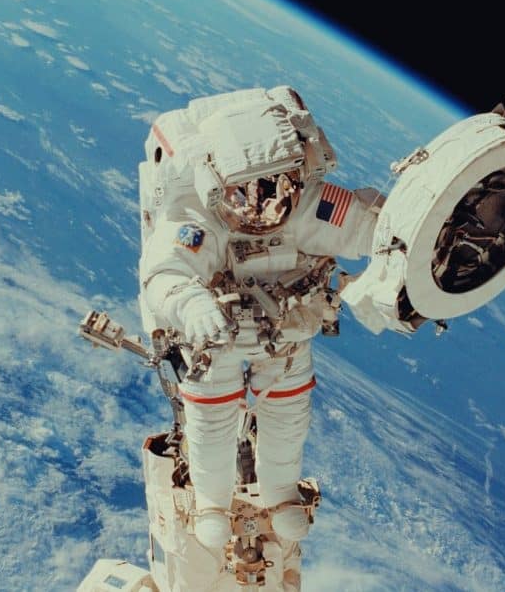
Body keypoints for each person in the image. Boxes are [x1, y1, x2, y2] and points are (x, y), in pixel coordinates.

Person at [137, 86, 384, 564]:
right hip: (216, 344)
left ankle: (281, 494)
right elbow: (163, 274)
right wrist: (191, 304)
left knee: (288, 421)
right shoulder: (196, 218)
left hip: (287, 339)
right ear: (217, 183)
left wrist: (417, 233)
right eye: (246, 194)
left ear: (295, 175)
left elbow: (369, 226)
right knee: (211, 425)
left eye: (275, 188)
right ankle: (212, 501)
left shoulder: (308, 204)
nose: (263, 206)